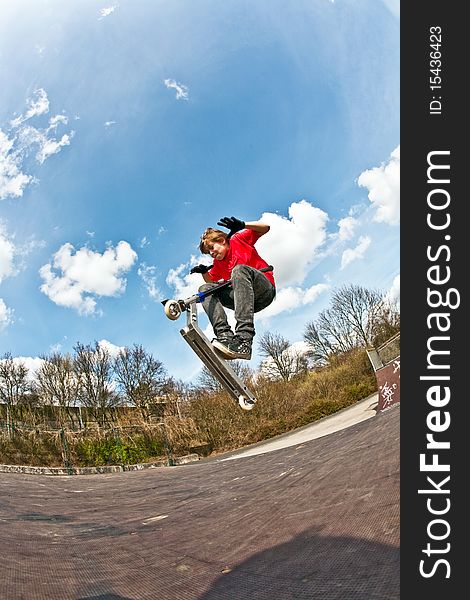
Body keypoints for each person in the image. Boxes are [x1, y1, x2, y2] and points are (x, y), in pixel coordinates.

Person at [190, 216, 276, 360]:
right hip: (246, 302)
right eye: (208, 252)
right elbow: (211, 283)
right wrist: (204, 272)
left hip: (264, 290)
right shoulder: (217, 264)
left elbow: (266, 228)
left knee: (239, 270)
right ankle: (225, 336)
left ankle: (244, 340)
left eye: (211, 248)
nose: (211, 253)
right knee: (204, 289)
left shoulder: (238, 239)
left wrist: (243, 225)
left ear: (222, 240)